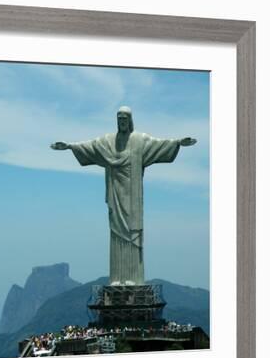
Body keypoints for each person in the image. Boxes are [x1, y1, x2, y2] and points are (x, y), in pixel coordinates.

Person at [51, 106, 196, 286]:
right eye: (119, 119)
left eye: (125, 119)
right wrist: (70, 146)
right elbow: (91, 146)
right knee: (116, 233)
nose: (122, 122)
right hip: (115, 195)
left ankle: (133, 278)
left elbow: (159, 144)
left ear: (130, 120)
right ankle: (117, 278)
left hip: (133, 198)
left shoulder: (139, 141)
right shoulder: (108, 142)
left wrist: (178, 142)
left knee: (132, 233)